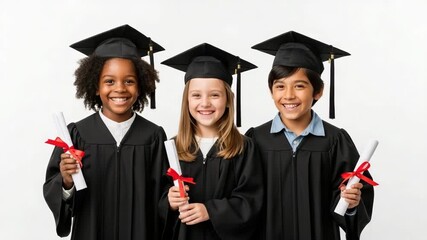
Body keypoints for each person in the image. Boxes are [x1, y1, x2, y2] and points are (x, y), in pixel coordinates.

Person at [43, 24, 169, 240]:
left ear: (140, 86)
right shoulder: (76, 135)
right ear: (94, 86)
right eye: (109, 81)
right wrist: (65, 181)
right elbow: (56, 192)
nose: (119, 88)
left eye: (129, 81)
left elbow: (163, 198)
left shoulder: (153, 136)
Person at [246, 31, 375, 240]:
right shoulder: (255, 139)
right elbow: (243, 200)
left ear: (318, 91)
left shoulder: (335, 141)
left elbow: (351, 200)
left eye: (299, 86)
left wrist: (350, 204)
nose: (288, 95)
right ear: (271, 91)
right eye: (280, 86)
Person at [159, 43, 264, 240]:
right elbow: (156, 196)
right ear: (187, 101)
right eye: (196, 95)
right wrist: (169, 201)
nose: (205, 103)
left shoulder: (244, 147)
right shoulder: (172, 148)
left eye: (215, 95)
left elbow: (251, 200)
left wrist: (211, 211)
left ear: (227, 100)